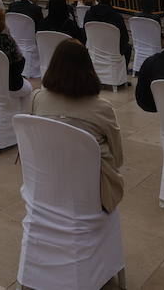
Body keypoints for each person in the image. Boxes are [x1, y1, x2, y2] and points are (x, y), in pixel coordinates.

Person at [32, 39, 123, 212]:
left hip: (47, 184)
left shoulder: (37, 99)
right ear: (88, 68)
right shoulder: (102, 109)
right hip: (91, 193)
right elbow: (117, 159)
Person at [82, 0, 130, 65]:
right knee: (128, 48)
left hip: (94, 52)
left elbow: (85, 33)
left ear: (97, 0)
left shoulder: (89, 14)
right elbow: (125, 38)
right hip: (112, 55)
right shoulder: (117, 17)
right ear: (110, 0)